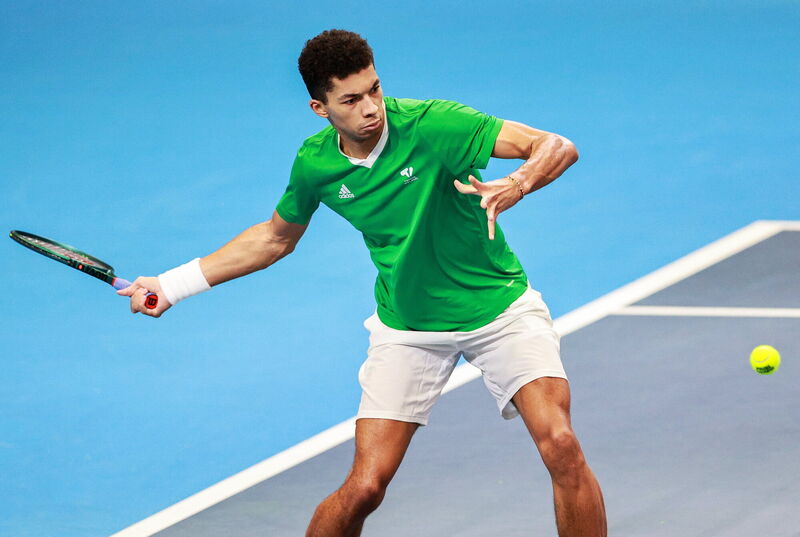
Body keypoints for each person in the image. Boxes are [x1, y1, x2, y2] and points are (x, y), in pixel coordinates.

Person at [119, 29, 607, 537]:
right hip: (409, 328)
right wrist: (172, 285)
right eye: (351, 99)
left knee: (561, 445)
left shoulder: (434, 124)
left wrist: (517, 182)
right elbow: (272, 240)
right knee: (366, 485)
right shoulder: (316, 165)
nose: (371, 107)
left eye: (374, 89)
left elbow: (554, 145)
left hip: (499, 311)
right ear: (319, 107)